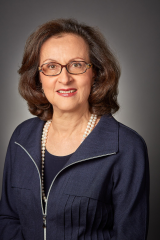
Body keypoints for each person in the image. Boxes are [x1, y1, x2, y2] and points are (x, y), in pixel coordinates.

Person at [0, 18, 149, 240]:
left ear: (95, 73)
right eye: (51, 66)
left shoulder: (126, 147)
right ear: (38, 77)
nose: (65, 78)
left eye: (77, 65)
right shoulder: (21, 137)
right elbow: (8, 219)